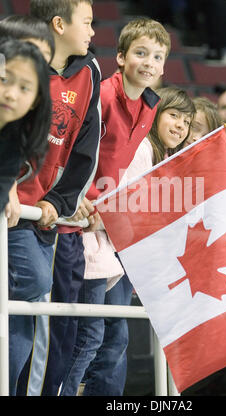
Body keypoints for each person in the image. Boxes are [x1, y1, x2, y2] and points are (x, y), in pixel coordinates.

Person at [59, 18, 172, 396]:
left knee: (109, 334)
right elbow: (77, 149)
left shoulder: (150, 106)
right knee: (86, 332)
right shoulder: (104, 95)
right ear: (121, 57)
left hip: (108, 227)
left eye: (157, 56)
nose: (149, 62)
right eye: (140, 53)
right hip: (79, 221)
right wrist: (77, 201)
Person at [9, 0, 101, 396]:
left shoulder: (90, 72)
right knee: (29, 289)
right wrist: (7, 188)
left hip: (40, 215)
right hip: (10, 211)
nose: (94, 32)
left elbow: (85, 151)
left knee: (24, 318)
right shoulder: (17, 64)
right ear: (59, 24)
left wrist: (58, 204)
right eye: (88, 22)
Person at [0, 15, 55, 229]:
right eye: (4, 80)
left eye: (25, 88)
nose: (12, 95)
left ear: (36, 100)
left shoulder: (16, 140)